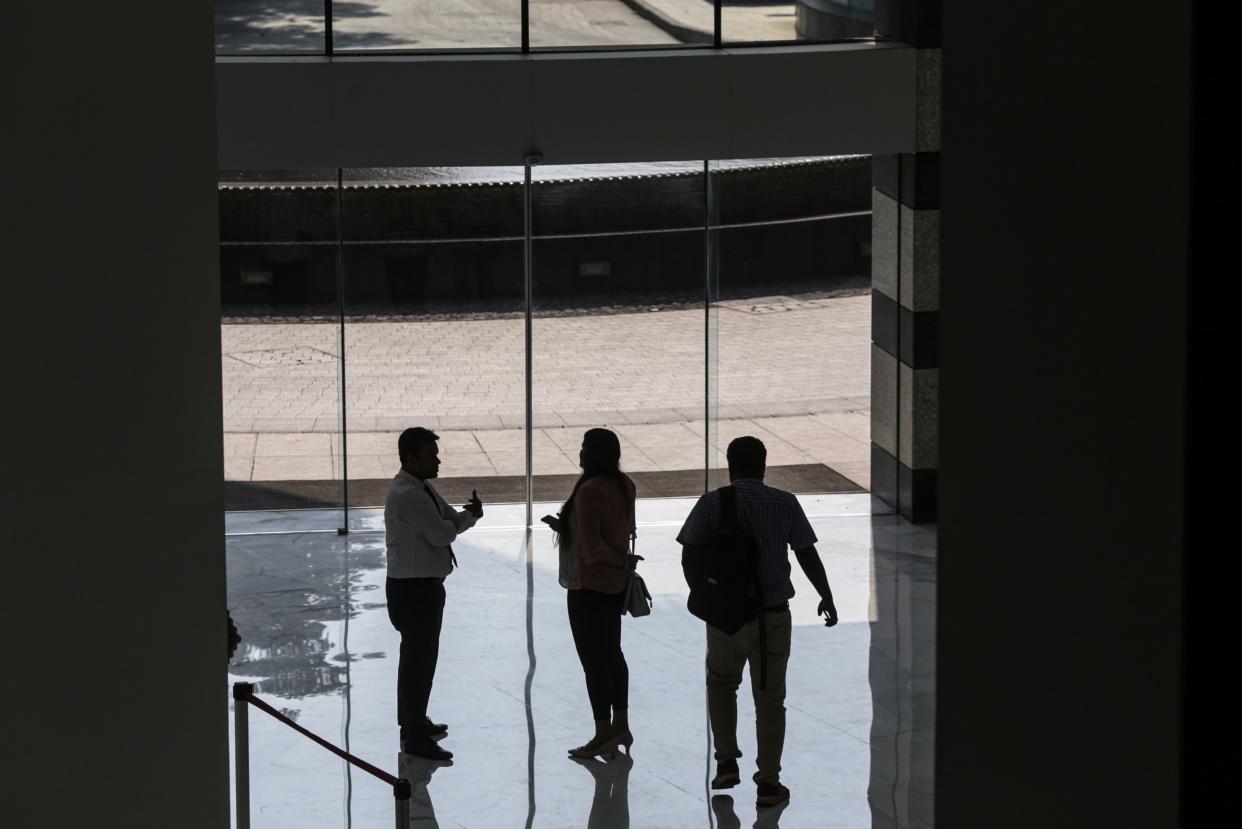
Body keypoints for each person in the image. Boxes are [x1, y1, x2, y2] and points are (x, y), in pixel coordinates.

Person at [676, 436, 839, 809]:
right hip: (773, 616)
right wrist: (825, 594)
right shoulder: (785, 503)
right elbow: (805, 553)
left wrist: (707, 597)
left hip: (726, 617)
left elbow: (689, 552)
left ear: (729, 464)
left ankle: (726, 761)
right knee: (770, 699)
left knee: (720, 684)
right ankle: (768, 783)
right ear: (763, 465)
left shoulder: (712, 503)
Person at [385, 427, 484, 762]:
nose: (437, 460)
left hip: (419, 588)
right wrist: (465, 519)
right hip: (415, 592)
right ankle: (414, 735)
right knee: (419, 662)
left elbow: (449, 520)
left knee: (417, 661)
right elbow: (443, 533)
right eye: (431, 455)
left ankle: (413, 722)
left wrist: (467, 516)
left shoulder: (420, 487)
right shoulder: (409, 495)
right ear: (410, 458)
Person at [541, 428, 639, 759]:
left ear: (594, 453)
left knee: (592, 662)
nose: (579, 452)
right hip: (615, 586)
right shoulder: (625, 486)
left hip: (587, 586)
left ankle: (602, 732)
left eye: (584, 447)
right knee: (613, 653)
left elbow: (594, 550)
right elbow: (610, 533)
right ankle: (621, 725)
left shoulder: (589, 491)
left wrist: (618, 559)